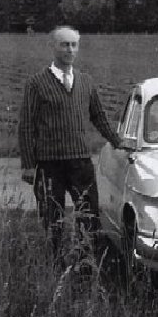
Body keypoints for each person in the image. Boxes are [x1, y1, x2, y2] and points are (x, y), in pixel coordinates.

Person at [18, 26, 120, 253]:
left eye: (74, 45)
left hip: (80, 162)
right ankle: (56, 263)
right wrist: (28, 164)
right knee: (51, 218)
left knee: (89, 215)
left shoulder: (85, 81)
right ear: (52, 47)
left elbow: (98, 117)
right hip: (49, 164)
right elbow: (26, 125)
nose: (70, 50)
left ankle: (86, 263)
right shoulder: (36, 83)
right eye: (64, 45)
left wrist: (117, 142)